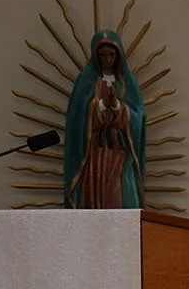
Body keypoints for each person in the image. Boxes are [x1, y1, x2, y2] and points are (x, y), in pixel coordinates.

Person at [62, 30, 147, 209]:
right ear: (96, 56)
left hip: (120, 152)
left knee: (121, 195)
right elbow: (76, 118)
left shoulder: (126, 83)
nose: (108, 59)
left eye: (111, 54)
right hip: (93, 154)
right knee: (93, 200)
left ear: (118, 55)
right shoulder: (86, 82)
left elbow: (138, 118)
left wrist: (117, 106)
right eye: (102, 55)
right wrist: (98, 107)